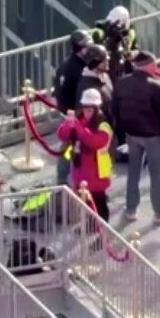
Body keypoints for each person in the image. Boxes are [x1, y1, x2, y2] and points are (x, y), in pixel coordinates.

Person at [112, 51, 160, 225]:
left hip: (132, 135)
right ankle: (159, 212)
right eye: (155, 64)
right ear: (149, 66)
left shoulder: (121, 83)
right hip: (153, 136)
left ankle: (130, 210)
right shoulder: (155, 86)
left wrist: (122, 131)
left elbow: (114, 110)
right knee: (156, 174)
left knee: (133, 172)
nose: (157, 67)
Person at [58, 89, 114, 221]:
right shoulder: (79, 120)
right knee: (85, 204)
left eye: (90, 109)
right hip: (80, 170)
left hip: (96, 172)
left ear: (97, 108)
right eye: (85, 108)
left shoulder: (103, 124)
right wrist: (67, 124)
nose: (87, 112)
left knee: (99, 204)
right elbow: (62, 135)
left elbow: (95, 142)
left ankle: (102, 230)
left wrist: (78, 128)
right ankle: (89, 226)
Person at [52, 30, 93, 186]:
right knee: (71, 146)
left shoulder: (66, 65)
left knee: (69, 146)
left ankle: (64, 178)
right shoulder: (79, 69)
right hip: (75, 113)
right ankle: (65, 179)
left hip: (67, 112)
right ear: (80, 48)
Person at [92, 6, 138, 77]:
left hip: (122, 65)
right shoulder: (100, 32)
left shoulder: (129, 32)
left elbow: (133, 49)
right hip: (109, 65)